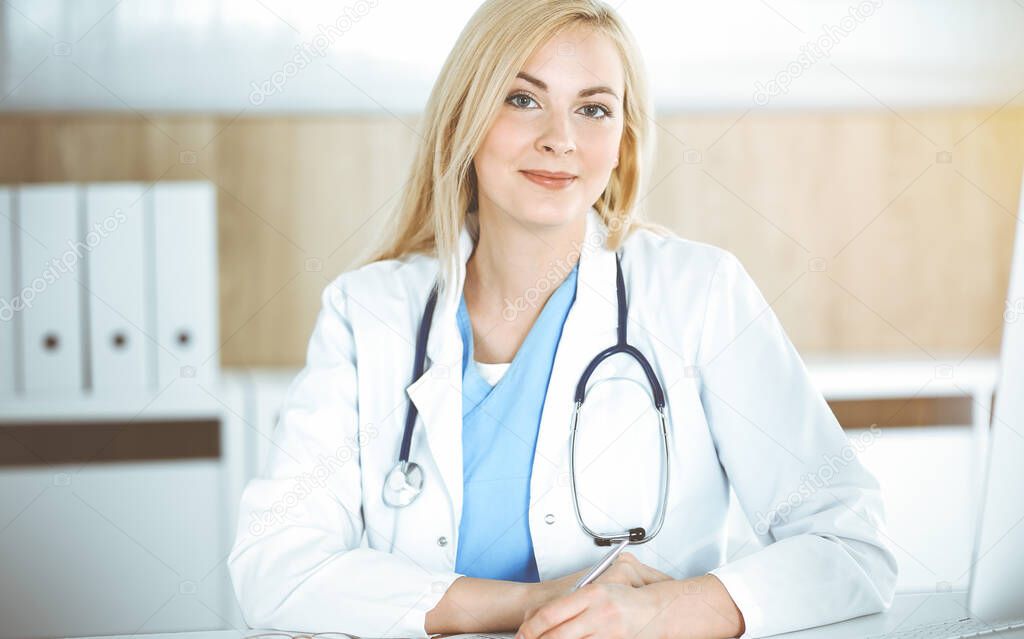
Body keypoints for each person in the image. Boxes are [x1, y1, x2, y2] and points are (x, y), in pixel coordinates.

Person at [227, 1, 898, 638]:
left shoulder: (699, 294)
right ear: (465, 118)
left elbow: (851, 544)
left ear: (622, 143)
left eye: (594, 109)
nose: (560, 140)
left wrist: (659, 613)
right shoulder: (368, 312)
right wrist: (530, 603)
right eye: (523, 99)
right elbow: (275, 564)